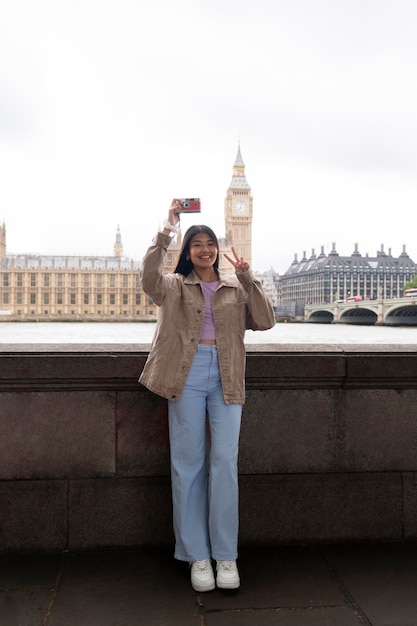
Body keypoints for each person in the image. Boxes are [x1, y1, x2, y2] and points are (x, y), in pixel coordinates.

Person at [139, 199, 275, 592]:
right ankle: (197, 555)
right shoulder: (173, 285)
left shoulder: (235, 286)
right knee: (188, 464)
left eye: (209, 244)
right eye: (196, 244)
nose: (204, 249)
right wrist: (167, 230)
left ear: (218, 250)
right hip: (186, 373)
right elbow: (148, 278)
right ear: (187, 251)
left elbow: (265, 321)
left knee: (224, 464)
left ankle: (225, 555)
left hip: (227, 376)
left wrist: (249, 278)